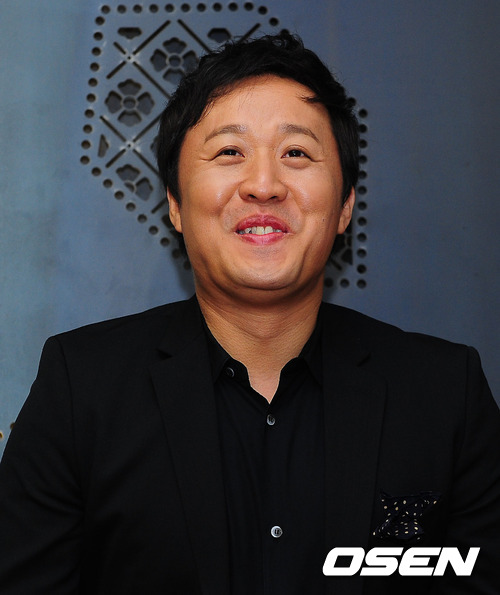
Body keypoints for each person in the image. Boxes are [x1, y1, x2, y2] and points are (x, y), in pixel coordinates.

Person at [0, 32, 499, 595]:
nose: (264, 186)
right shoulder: (81, 388)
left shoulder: (445, 394)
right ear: (175, 204)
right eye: (229, 153)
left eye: (296, 154)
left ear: (345, 206)